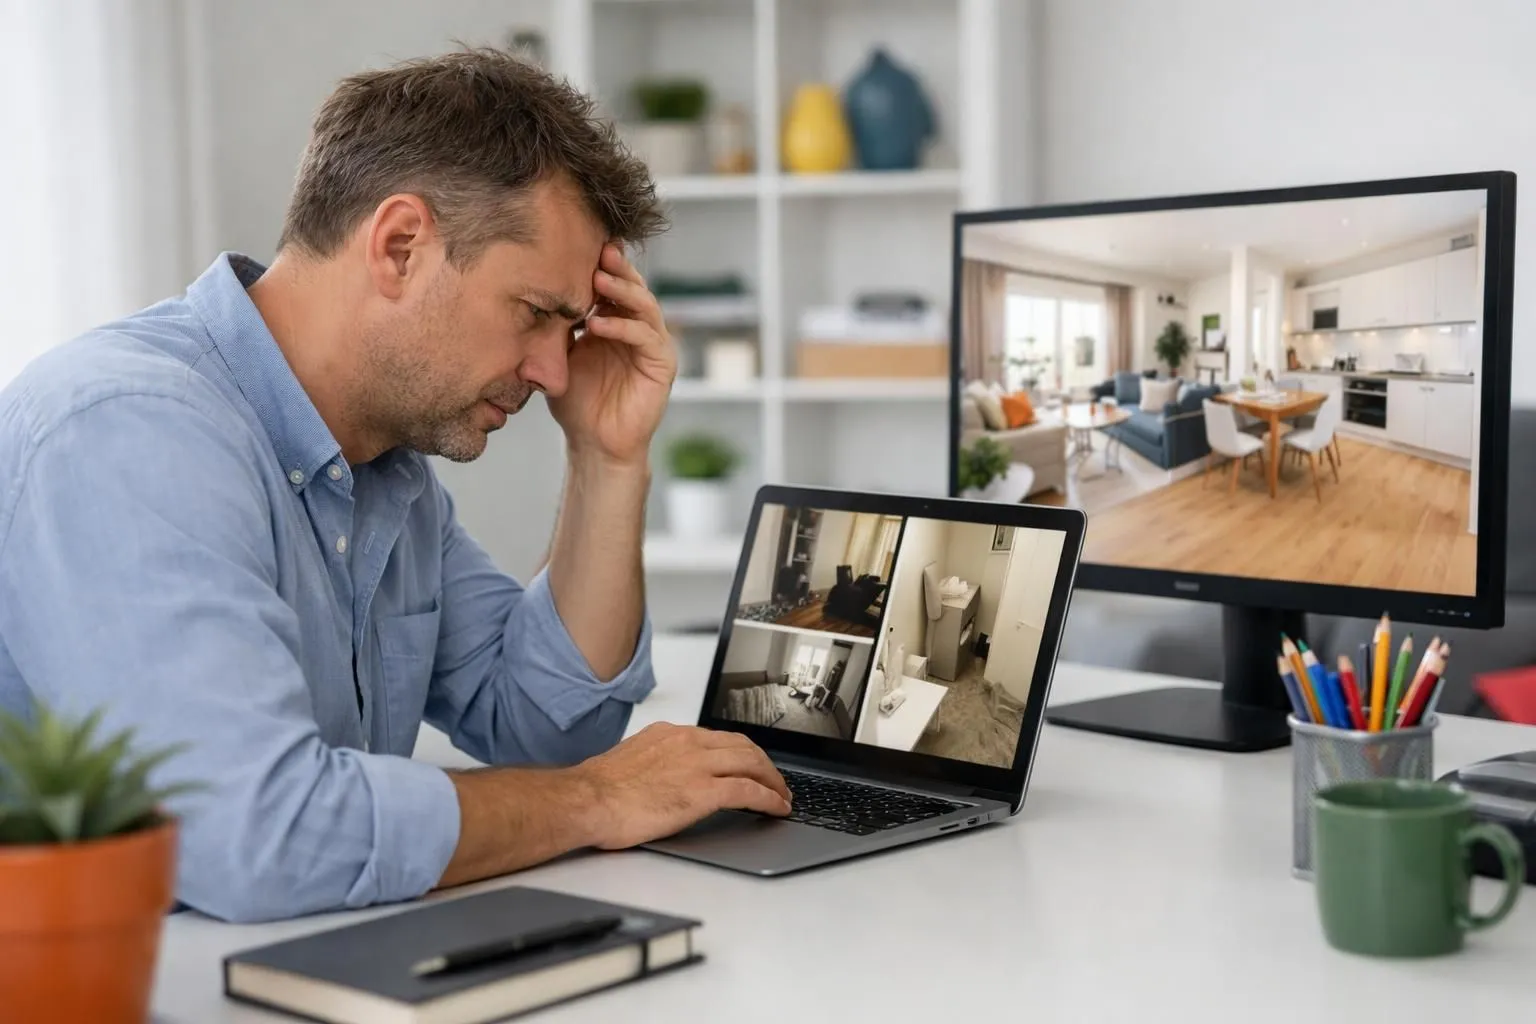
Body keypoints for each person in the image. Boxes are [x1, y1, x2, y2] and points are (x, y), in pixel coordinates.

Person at [0, 48, 791, 924]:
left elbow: (543, 723)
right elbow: (262, 836)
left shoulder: (383, 469)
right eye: (535, 313)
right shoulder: (130, 429)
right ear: (400, 245)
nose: (552, 373)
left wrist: (607, 460)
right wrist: (596, 800)